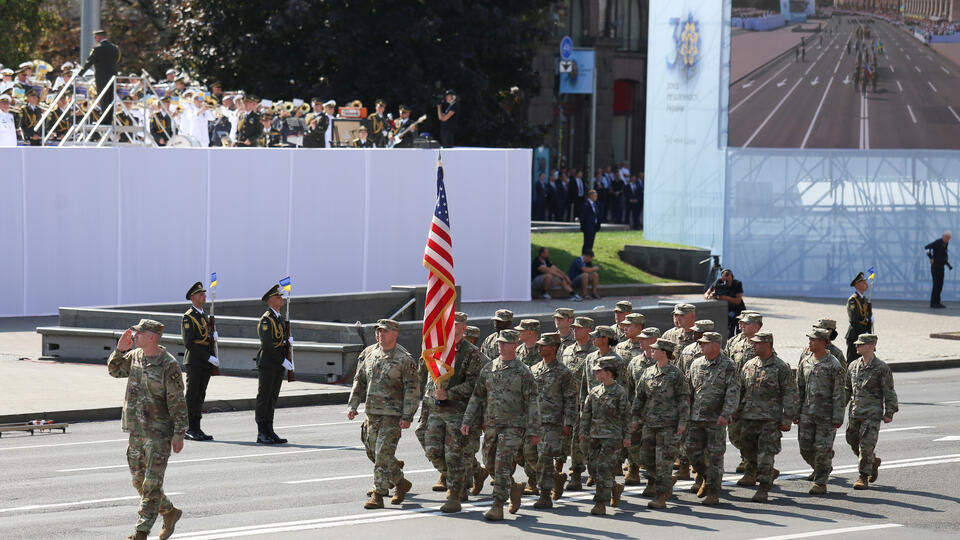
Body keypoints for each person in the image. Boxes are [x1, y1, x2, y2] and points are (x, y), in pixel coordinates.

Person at [107, 319, 186, 540]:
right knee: (139, 481)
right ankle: (169, 512)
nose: (135, 336)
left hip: (158, 433)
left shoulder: (168, 365)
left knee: (151, 484)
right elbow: (114, 371)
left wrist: (179, 433)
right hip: (136, 430)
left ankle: (141, 532)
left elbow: (178, 402)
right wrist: (120, 350)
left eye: (139, 333)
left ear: (151, 337)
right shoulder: (135, 356)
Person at [461, 329, 541, 521]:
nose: (501, 345)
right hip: (492, 425)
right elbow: (477, 397)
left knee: (502, 464)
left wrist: (534, 429)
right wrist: (467, 420)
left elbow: (532, 402)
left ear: (515, 345)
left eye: (505, 343)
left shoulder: (523, 372)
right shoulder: (489, 368)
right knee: (489, 462)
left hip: (513, 427)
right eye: (499, 342)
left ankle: (497, 505)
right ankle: (513, 487)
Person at [348, 319, 418, 509]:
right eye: (378, 331)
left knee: (382, 454)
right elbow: (360, 380)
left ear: (395, 334)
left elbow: (412, 390)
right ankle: (401, 482)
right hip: (371, 413)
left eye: (385, 331)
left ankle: (378, 494)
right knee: (373, 451)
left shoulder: (404, 359)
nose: (380, 335)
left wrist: (407, 416)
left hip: (392, 415)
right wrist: (353, 405)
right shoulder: (369, 354)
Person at [421, 312, 482, 512]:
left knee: (453, 454)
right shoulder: (437, 349)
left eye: (455, 324)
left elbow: (474, 384)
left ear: (463, 328)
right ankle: (463, 477)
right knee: (432, 449)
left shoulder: (471, 352)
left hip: (457, 411)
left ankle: (455, 495)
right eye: (448, 323)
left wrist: (450, 393)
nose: (450, 327)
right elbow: (427, 376)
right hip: (436, 409)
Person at [736, 332, 798, 503]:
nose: (753, 346)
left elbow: (790, 393)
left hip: (770, 420)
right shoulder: (749, 365)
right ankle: (767, 472)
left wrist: (787, 419)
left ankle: (763, 487)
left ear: (767, 344)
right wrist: (734, 412)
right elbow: (740, 391)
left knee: (766, 454)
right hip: (749, 417)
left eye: (757, 343)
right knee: (747, 451)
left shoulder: (780, 367)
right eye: (753, 343)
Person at [632, 338, 689, 509]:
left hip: (668, 425)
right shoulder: (648, 372)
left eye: (655, 349)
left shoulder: (676, 374)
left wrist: (682, 422)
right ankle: (666, 482)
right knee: (646, 459)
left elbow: (683, 399)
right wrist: (634, 417)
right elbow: (639, 397)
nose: (651, 351)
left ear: (664, 352)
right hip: (649, 423)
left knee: (664, 462)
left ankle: (661, 496)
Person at [684, 332, 738, 505]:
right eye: (700, 343)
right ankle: (706, 477)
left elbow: (732, 392)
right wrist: (685, 413)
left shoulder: (728, 365)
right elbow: (688, 390)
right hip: (696, 417)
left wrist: (726, 414)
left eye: (705, 343)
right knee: (692, 452)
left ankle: (713, 492)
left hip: (716, 418)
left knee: (715, 456)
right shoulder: (696, 363)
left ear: (716, 345)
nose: (701, 345)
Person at [526, 332, 577, 508]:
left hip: (552, 422)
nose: (539, 347)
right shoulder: (533, 369)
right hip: (534, 422)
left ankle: (545, 495)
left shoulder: (563, 372)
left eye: (543, 345)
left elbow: (571, 398)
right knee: (529, 455)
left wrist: (568, 422)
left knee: (545, 457)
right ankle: (554, 477)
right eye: (539, 345)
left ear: (554, 348)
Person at [845, 334, 898, 491]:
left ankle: (863, 476)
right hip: (855, 412)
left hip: (872, 414)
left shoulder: (881, 368)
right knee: (851, 440)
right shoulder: (853, 365)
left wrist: (889, 412)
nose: (857, 346)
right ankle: (872, 461)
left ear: (871, 346)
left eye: (860, 344)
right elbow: (847, 389)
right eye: (857, 344)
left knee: (866, 446)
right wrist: (838, 407)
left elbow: (889, 391)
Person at [796, 328, 846, 495]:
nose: (810, 343)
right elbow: (799, 389)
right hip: (807, 413)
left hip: (826, 416)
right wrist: (795, 412)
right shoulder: (805, 361)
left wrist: (838, 416)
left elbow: (839, 393)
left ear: (824, 342)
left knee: (822, 449)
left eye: (814, 340)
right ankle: (822, 467)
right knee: (805, 448)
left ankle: (820, 482)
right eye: (809, 340)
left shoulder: (834, 364)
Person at [579, 356, 631, 516]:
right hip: (595, 436)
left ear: (608, 373)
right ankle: (613, 487)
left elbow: (626, 416)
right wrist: (583, 432)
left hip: (612, 437)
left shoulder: (619, 392)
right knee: (593, 468)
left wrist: (627, 436)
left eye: (599, 371)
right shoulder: (594, 391)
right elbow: (586, 414)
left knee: (603, 468)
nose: (595, 374)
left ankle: (600, 503)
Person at [558, 316, 597, 490]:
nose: (575, 330)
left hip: (585, 403)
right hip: (567, 402)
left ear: (588, 330)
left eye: (579, 328)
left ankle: (583, 471)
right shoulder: (567, 350)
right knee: (566, 439)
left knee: (583, 440)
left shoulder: (594, 353)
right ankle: (562, 470)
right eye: (574, 328)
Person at [255, 285, 291, 445]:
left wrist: (287, 342)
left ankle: (270, 430)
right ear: (270, 300)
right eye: (278, 297)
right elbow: (268, 345)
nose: (281, 299)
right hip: (268, 363)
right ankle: (262, 432)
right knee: (264, 397)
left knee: (272, 398)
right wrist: (282, 360)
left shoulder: (279, 318)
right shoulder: (266, 320)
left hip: (277, 364)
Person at [181, 282, 218, 442]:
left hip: (204, 362)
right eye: (200, 294)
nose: (204, 296)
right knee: (192, 396)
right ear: (193, 297)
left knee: (200, 395)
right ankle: (188, 428)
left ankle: (197, 427)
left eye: (204, 293)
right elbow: (189, 343)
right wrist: (207, 357)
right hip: (195, 361)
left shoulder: (203, 315)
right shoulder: (189, 317)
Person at [77, 29, 120, 123]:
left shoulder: (97, 48)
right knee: (111, 98)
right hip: (112, 77)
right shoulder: (115, 48)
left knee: (103, 98)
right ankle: (109, 120)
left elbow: (89, 62)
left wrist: (80, 74)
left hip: (101, 78)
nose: (95, 39)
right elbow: (117, 61)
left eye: (96, 37)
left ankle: (104, 120)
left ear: (99, 37)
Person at [705, 269, 746, 337]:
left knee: (740, 332)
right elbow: (706, 293)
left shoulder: (737, 284)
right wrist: (709, 296)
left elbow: (738, 301)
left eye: (728, 279)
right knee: (729, 332)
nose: (726, 281)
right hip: (727, 311)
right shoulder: (718, 283)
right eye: (724, 279)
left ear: (732, 277)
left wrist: (725, 298)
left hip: (738, 310)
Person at [845, 272, 873, 366]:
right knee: (852, 362)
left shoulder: (864, 299)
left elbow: (866, 317)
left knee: (864, 362)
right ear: (857, 285)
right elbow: (854, 320)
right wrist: (863, 333)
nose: (866, 284)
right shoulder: (853, 300)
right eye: (863, 282)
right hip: (855, 335)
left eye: (865, 282)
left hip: (863, 334)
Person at [925, 232, 952, 308]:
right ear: (943, 236)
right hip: (935, 267)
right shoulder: (937, 242)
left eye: (949, 238)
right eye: (947, 238)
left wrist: (948, 265)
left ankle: (937, 302)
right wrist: (930, 257)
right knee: (936, 285)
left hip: (941, 267)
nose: (948, 239)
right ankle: (933, 303)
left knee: (940, 285)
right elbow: (926, 247)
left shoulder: (945, 244)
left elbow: (942, 255)